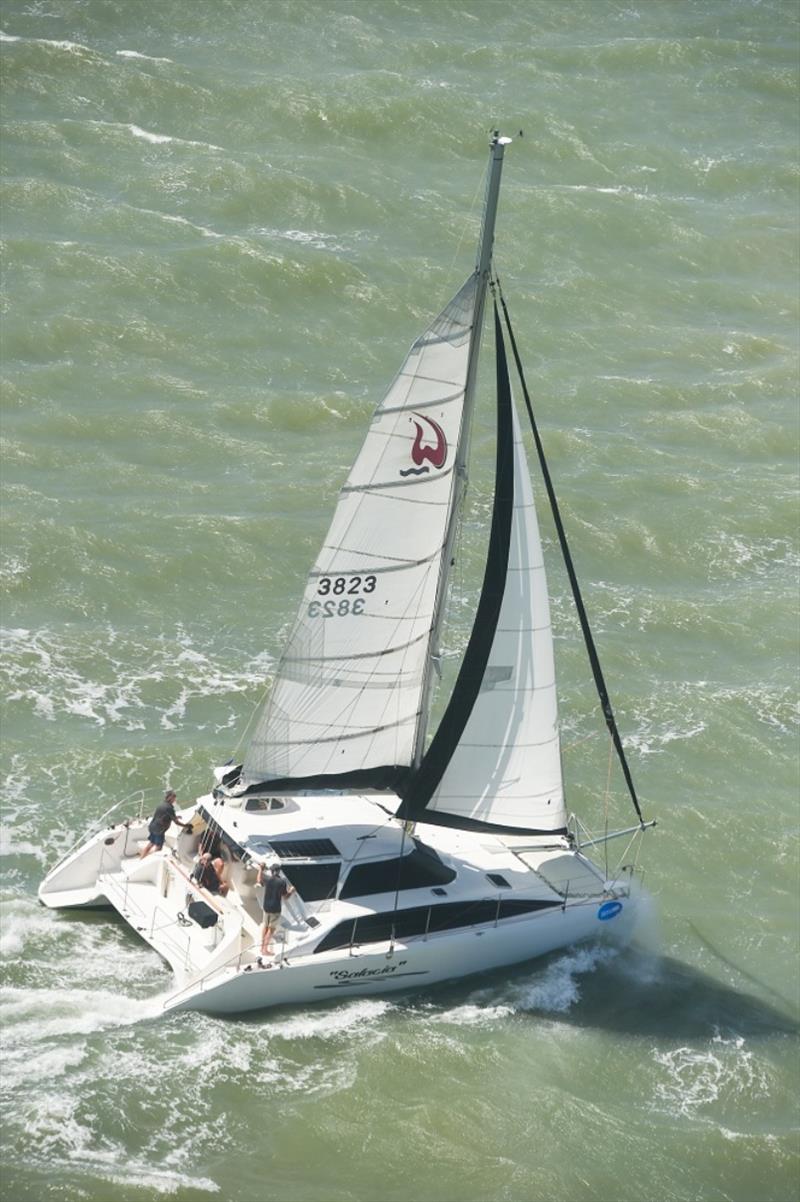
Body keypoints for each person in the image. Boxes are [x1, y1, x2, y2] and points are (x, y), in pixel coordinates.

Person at [257, 862, 294, 957]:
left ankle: (261, 947)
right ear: (278, 871)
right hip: (275, 909)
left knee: (265, 926)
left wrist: (261, 868)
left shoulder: (268, 879)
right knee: (271, 929)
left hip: (266, 907)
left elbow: (259, 879)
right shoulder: (282, 882)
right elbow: (285, 897)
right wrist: (291, 891)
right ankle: (265, 950)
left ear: (271, 871)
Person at [139, 790, 190, 858]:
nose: (175, 799)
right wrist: (186, 826)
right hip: (159, 831)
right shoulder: (169, 808)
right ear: (170, 798)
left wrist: (175, 817)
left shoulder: (162, 804)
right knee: (159, 848)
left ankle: (142, 857)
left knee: (151, 844)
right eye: (174, 797)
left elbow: (164, 815)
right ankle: (150, 858)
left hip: (152, 827)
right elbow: (176, 822)